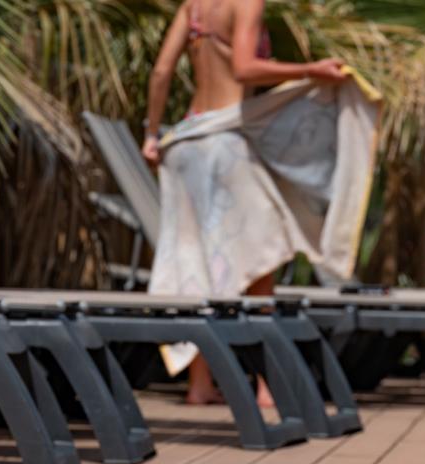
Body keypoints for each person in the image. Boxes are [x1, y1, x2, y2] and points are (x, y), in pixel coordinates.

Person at [142, 0, 348, 405]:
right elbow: (244, 69)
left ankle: (200, 385)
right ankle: (266, 386)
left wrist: (152, 133)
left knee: (196, 261)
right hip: (225, 142)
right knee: (263, 258)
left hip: (185, 141)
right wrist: (311, 70)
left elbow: (162, 70)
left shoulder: (194, 6)